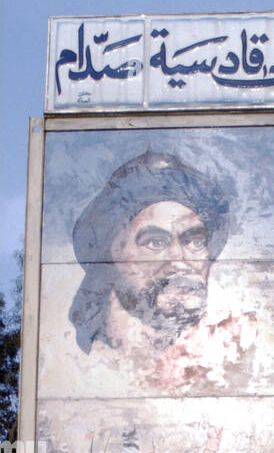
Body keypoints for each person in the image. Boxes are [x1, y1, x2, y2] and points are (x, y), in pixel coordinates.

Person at [68, 149, 254, 388]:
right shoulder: (79, 369)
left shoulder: (239, 350)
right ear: (114, 252)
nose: (179, 259)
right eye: (156, 242)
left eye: (194, 241)